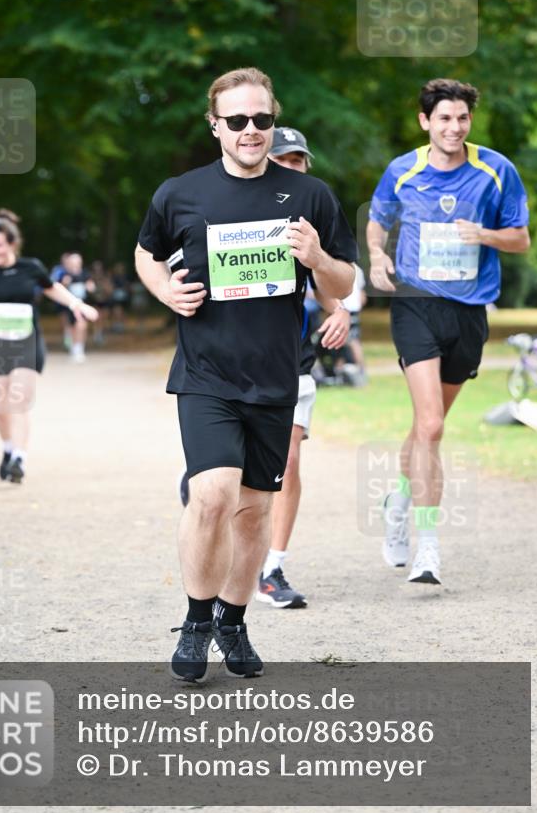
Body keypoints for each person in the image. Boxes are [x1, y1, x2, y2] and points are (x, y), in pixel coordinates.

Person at [135, 67, 357, 682]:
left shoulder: (310, 196)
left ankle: (233, 621)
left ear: (272, 119)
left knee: (256, 510)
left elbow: (344, 281)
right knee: (211, 494)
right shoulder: (180, 193)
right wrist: (165, 292)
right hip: (206, 372)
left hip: (275, 378)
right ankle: (195, 622)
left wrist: (316, 258)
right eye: (237, 121)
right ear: (216, 127)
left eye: (261, 119)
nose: (251, 130)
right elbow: (146, 253)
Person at [367, 79, 530, 585]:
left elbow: (521, 239)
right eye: (443, 119)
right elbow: (377, 222)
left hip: (469, 313)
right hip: (415, 304)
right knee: (432, 425)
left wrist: (484, 234)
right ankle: (428, 548)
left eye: (461, 118)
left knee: (425, 428)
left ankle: (397, 500)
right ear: (425, 122)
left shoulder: (495, 170)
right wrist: (376, 255)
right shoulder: (403, 170)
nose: (453, 128)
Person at [256, 127, 351, 609]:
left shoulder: (309, 221)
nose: (293, 170)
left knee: (288, 462)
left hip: (293, 366)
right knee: (233, 472)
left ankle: (272, 567)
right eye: (283, 161)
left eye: (300, 162)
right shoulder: (237, 214)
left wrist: (341, 311)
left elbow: (328, 284)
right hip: (234, 368)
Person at [0, 210, 98, 484]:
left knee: (20, 400)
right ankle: (7, 448)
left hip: (27, 341)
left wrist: (77, 304)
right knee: (1, 404)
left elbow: (51, 288)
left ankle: (19, 458)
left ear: (12, 243)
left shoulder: (31, 267)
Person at [331, 264, 368, 385]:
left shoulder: (338, 265)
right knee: (344, 339)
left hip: (345, 308)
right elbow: (362, 295)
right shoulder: (359, 269)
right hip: (353, 309)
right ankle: (340, 370)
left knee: (351, 340)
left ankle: (361, 370)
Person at [60, 252, 95, 363]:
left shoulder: (85, 274)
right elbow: (60, 289)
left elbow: (91, 286)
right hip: (70, 306)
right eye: (72, 262)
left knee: (82, 325)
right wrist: (65, 283)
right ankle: (75, 347)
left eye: (77, 262)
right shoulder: (66, 275)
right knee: (72, 327)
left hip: (83, 305)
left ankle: (79, 348)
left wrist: (90, 287)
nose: (75, 264)